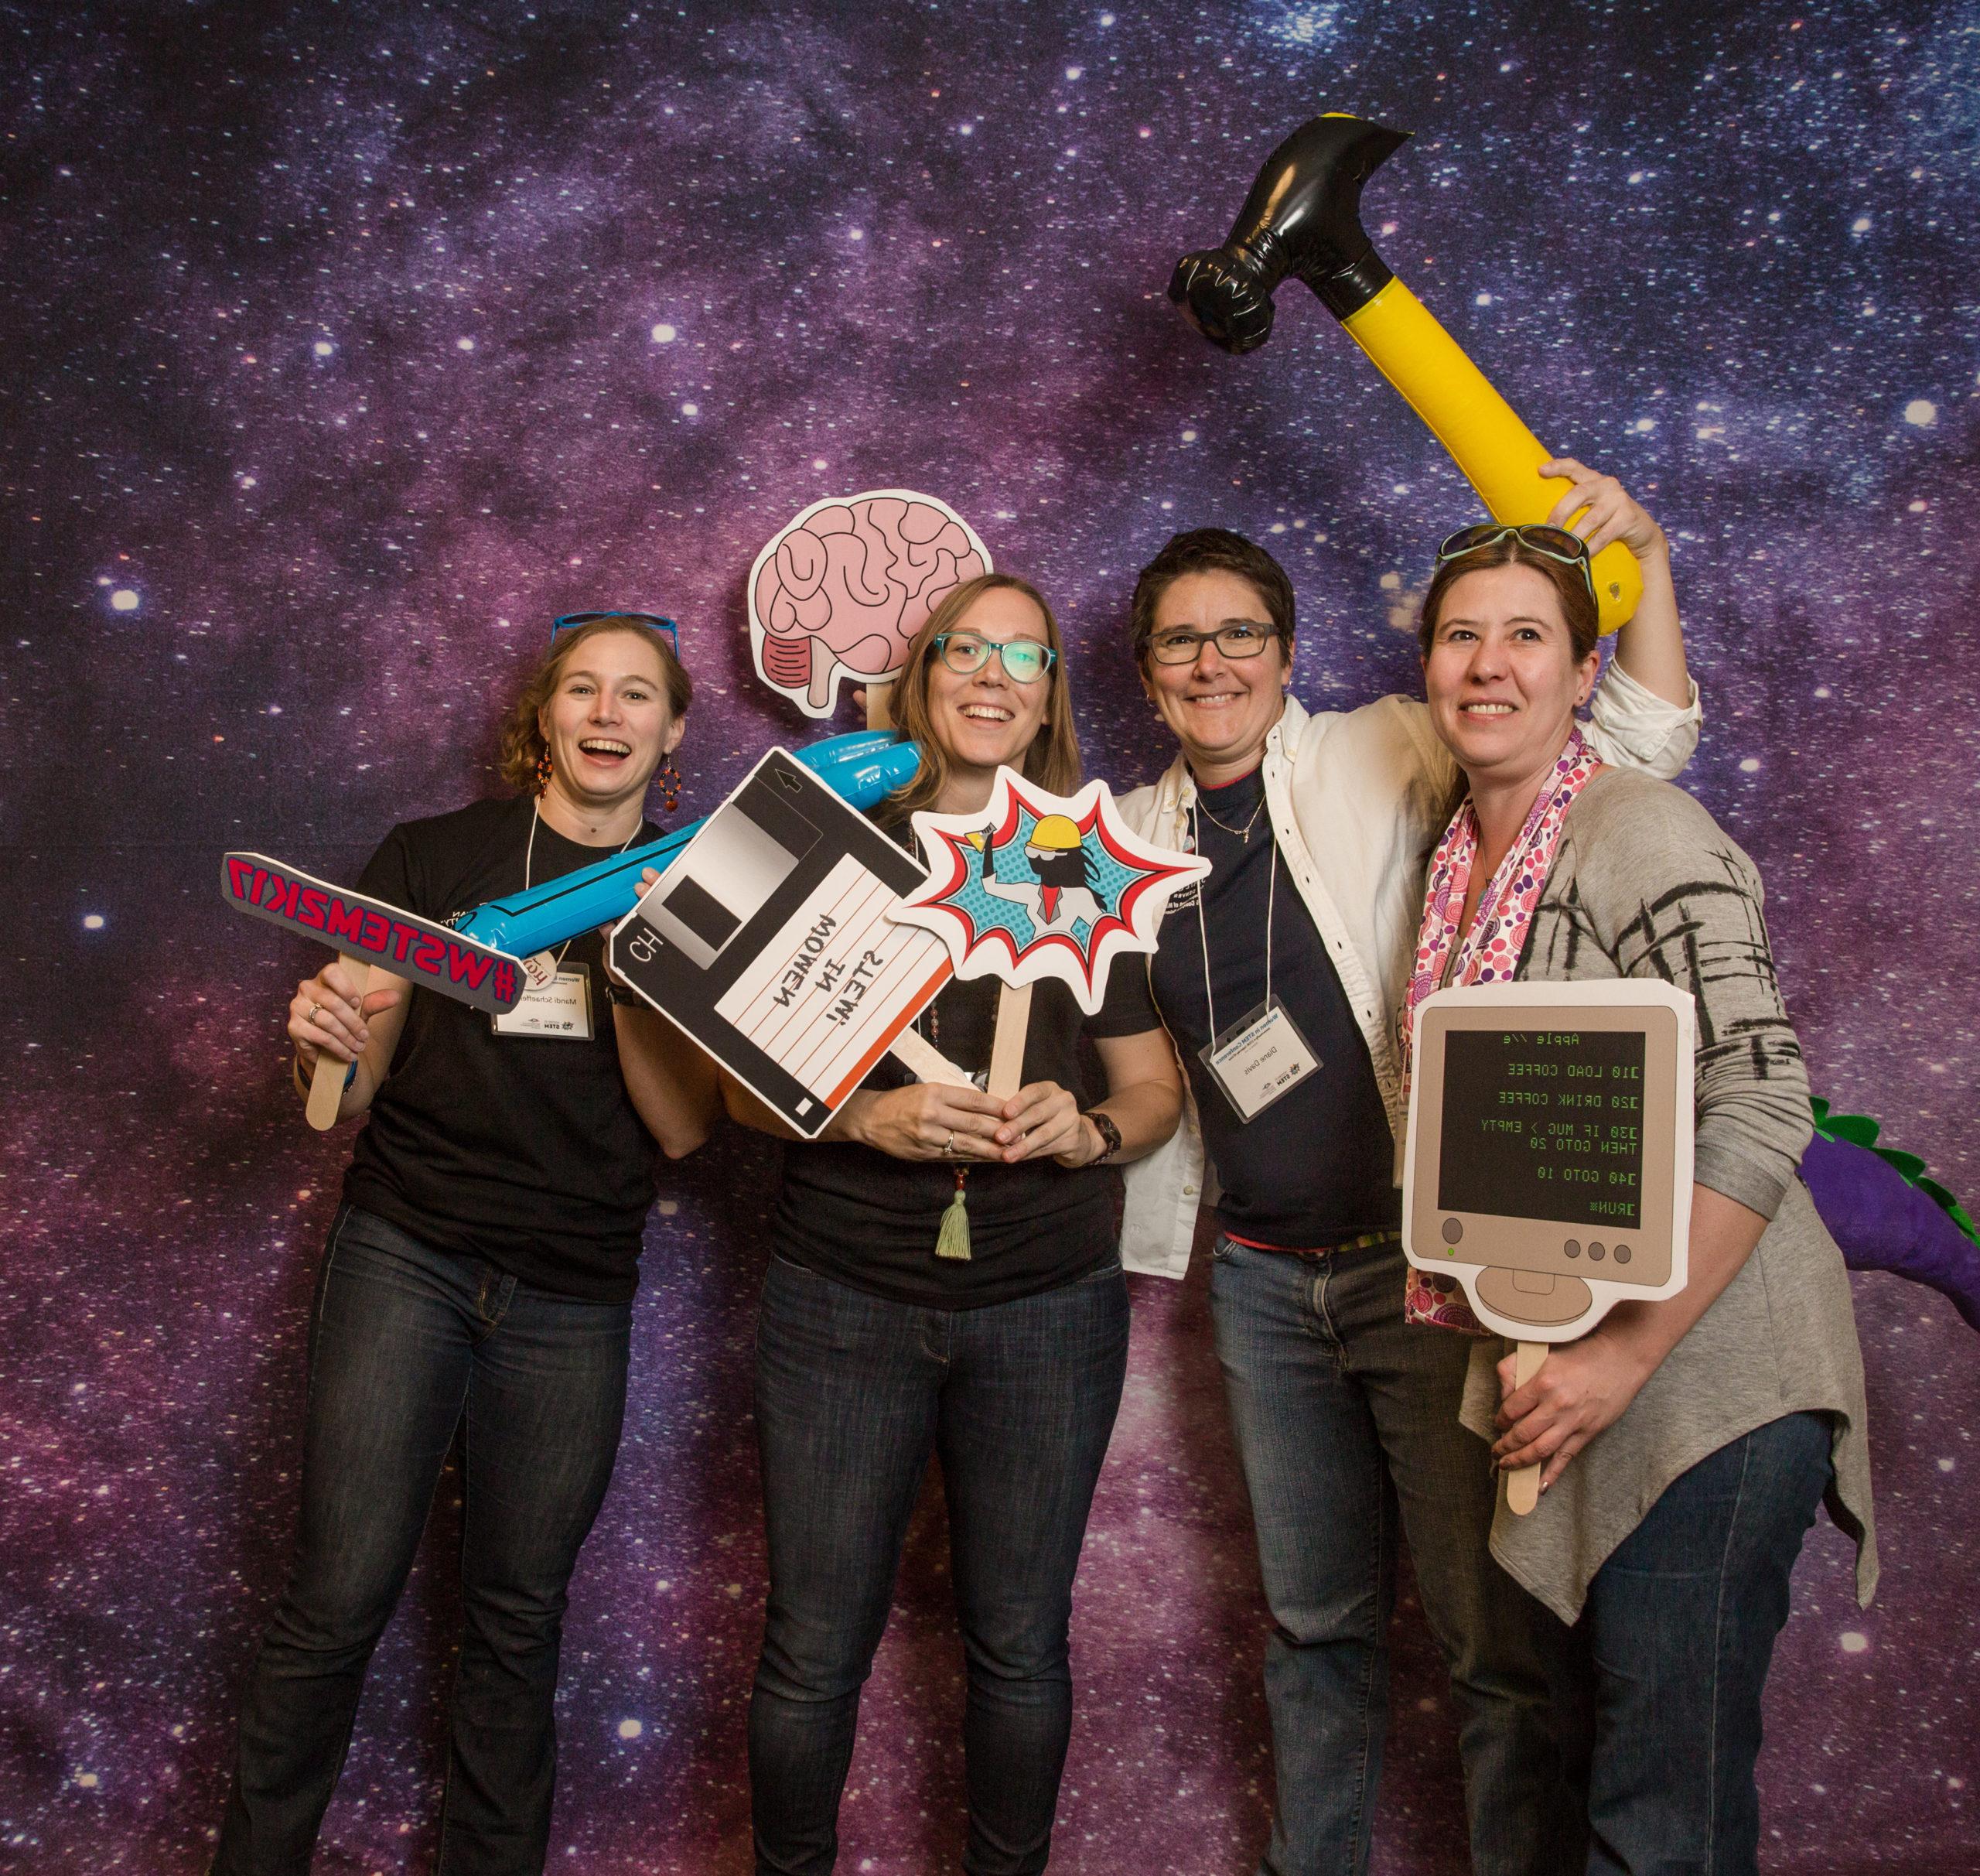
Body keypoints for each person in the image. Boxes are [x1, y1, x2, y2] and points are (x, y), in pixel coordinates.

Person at [1115, 463, 1701, 1876]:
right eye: (1183, 641)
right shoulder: (1118, 838)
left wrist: (1653, 569)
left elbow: (1639, 736)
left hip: (1419, 1276)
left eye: (1241, 632)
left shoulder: (1386, 743)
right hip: (1260, 1287)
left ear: (1288, 654)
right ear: (1148, 674)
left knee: (1491, 1636)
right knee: (1313, 1627)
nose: (1216, 663)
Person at [211, 614, 720, 1876]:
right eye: (584, 689)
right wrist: (327, 1031)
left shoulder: (701, 891)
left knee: (516, 1622)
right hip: (408, 1254)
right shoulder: (434, 858)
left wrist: (639, 957)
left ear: (673, 730)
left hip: (574, 1290)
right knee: (335, 1600)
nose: (608, 713)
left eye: (638, 694)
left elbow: (682, 1128)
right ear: (544, 715)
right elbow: (356, 1075)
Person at [1404, 520, 1875, 1874]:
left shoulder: (1637, 826)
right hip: (1566, 1365)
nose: (1488, 665)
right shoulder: (1459, 858)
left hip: (1703, 1375)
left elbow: (1766, 1090)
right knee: (1569, 1764)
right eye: (1460, 635)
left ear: (1580, 669)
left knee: (1660, 1808)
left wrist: (1625, 1351)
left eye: (1525, 636)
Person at [731, 573, 1185, 1876]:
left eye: (1024, 655)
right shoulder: (841, 836)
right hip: (843, 1299)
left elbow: (1152, 1090)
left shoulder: (1082, 855)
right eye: (966, 649)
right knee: (813, 1646)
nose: (993, 675)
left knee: (1021, 1643)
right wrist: (861, 1119)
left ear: (1050, 692)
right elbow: (729, 1080)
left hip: (1048, 1307)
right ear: (923, 672)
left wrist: (1090, 1127)